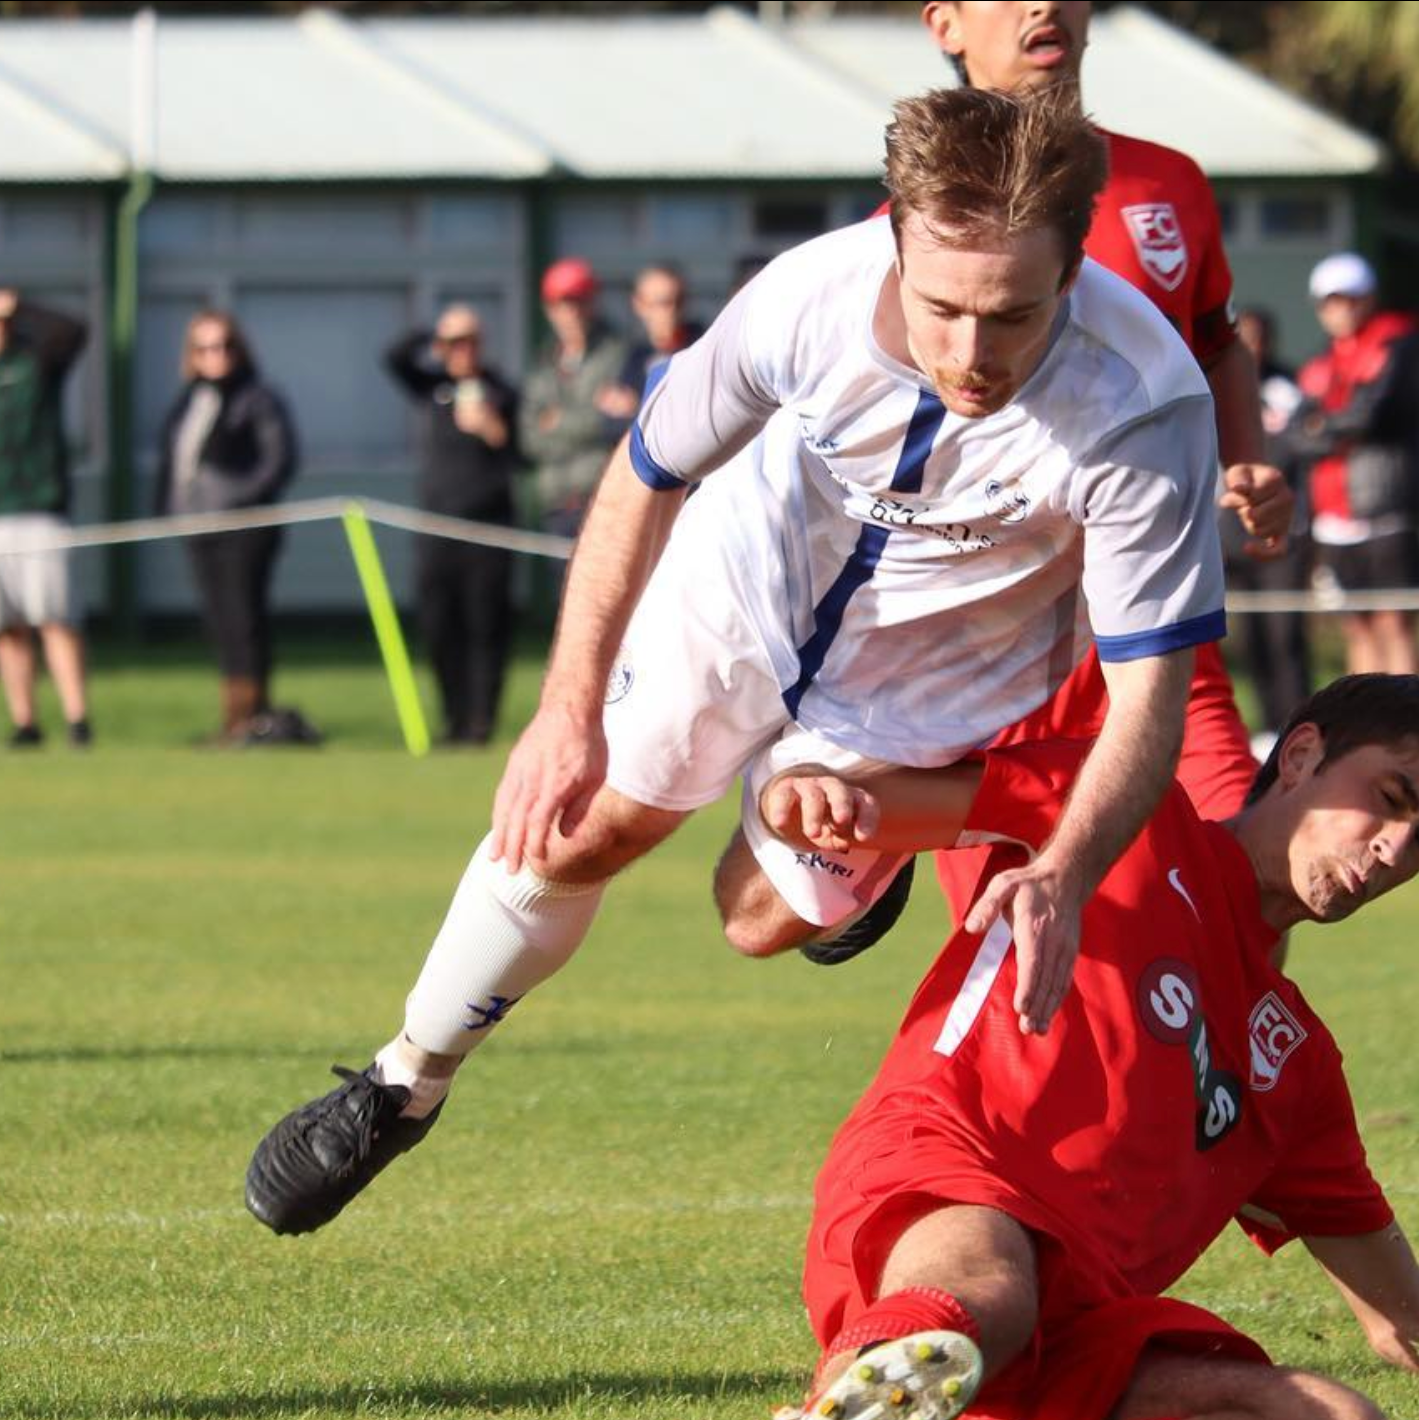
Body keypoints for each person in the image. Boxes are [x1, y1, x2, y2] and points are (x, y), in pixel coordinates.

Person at [243, 86, 1229, 1238]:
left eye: (1012, 315)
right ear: (895, 239)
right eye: (944, 307)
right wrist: (566, 710)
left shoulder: (1145, 407)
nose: (972, 353)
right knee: (581, 830)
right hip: (742, 581)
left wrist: (1059, 872)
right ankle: (402, 1080)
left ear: (1072, 271)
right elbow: (644, 475)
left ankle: (897, 829)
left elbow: (1152, 699)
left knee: (753, 917)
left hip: (936, 681)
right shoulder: (804, 296)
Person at [624, 675, 1419, 1420]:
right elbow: (895, 806)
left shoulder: (1293, 1064)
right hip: (939, 1178)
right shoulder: (1120, 816)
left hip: (1077, 1331)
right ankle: (876, 1382)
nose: (1389, 849)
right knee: (989, 1285)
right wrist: (818, 803)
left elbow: (1413, 1317)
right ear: (1300, 752)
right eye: (1385, 798)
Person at [919, 0, 1293, 936]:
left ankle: (1218, 1086)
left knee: (1249, 873)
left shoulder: (1169, 182)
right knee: (1016, 918)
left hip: (1161, 617)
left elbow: (1216, 344)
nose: (1043, 4)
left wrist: (1246, 459)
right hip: (1001, 634)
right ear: (947, 25)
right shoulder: (923, 218)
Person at [154, 309, 302, 745]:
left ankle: (251, 718)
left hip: (244, 528)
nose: (213, 355)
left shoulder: (257, 397)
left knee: (244, 619)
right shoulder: (190, 401)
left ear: (238, 350)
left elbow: (278, 460)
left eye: (222, 346)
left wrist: (236, 496)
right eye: (203, 348)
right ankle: (233, 718)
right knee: (220, 622)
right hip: (199, 527)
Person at [383, 306, 523, 747]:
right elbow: (393, 358)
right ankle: (454, 717)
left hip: (488, 527)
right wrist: (436, 333)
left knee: (485, 626)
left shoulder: (501, 391)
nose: (462, 351)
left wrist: (492, 428)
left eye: (469, 342)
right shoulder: (432, 387)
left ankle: (480, 721)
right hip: (437, 527)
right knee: (440, 625)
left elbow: (523, 453)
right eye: (453, 344)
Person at [1295, 251, 1419, 679]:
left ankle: (1409, 723)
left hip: (1384, 507)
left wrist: (1325, 426)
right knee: (1357, 626)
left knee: (1395, 623)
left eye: (1351, 299)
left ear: (1369, 300)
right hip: (1334, 515)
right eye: (1332, 302)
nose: (1342, 311)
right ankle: (1369, 728)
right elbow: (1296, 435)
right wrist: (1332, 428)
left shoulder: (1396, 344)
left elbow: (1368, 416)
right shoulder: (1319, 364)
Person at [0, 288, 91, 750]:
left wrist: (18, 305)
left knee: (53, 618)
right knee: (7, 627)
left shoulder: (36, 360)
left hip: (39, 511)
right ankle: (25, 722)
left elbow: (75, 331)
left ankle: (78, 722)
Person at [1221, 307, 1314, 748]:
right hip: (1231, 532)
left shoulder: (1287, 389)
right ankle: (1264, 726)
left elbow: (1309, 444)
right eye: (1243, 337)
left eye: (1257, 337)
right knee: (1251, 637)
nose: (1250, 345)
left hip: (1283, 531)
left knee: (1285, 635)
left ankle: (1298, 722)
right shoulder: (1214, 389)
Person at [522, 258, 628, 543]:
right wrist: (589, 417)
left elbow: (616, 425)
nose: (572, 313)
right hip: (557, 504)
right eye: (563, 303)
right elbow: (530, 437)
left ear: (593, 303)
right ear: (549, 309)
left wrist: (557, 421)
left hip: (604, 500)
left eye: (579, 301)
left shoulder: (617, 354)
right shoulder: (543, 362)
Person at [600, 263, 705, 426]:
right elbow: (610, 423)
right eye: (661, 303)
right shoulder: (632, 355)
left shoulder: (700, 349)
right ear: (638, 305)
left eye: (678, 301)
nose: (671, 311)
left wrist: (637, 408)